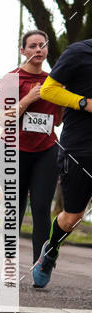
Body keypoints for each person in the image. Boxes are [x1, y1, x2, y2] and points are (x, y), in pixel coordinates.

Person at [31, 36, 92, 287]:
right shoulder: (79, 52)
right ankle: (51, 251)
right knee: (72, 217)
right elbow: (48, 90)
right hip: (80, 148)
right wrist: (84, 103)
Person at [3, 30, 63, 267]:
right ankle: (7, 261)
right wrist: (28, 99)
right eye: (33, 46)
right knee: (14, 208)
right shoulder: (11, 80)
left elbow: (57, 120)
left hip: (46, 151)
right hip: (13, 150)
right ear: (23, 51)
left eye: (43, 45)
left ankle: (42, 264)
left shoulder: (54, 81)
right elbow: (4, 119)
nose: (39, 50)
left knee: (40, 208)